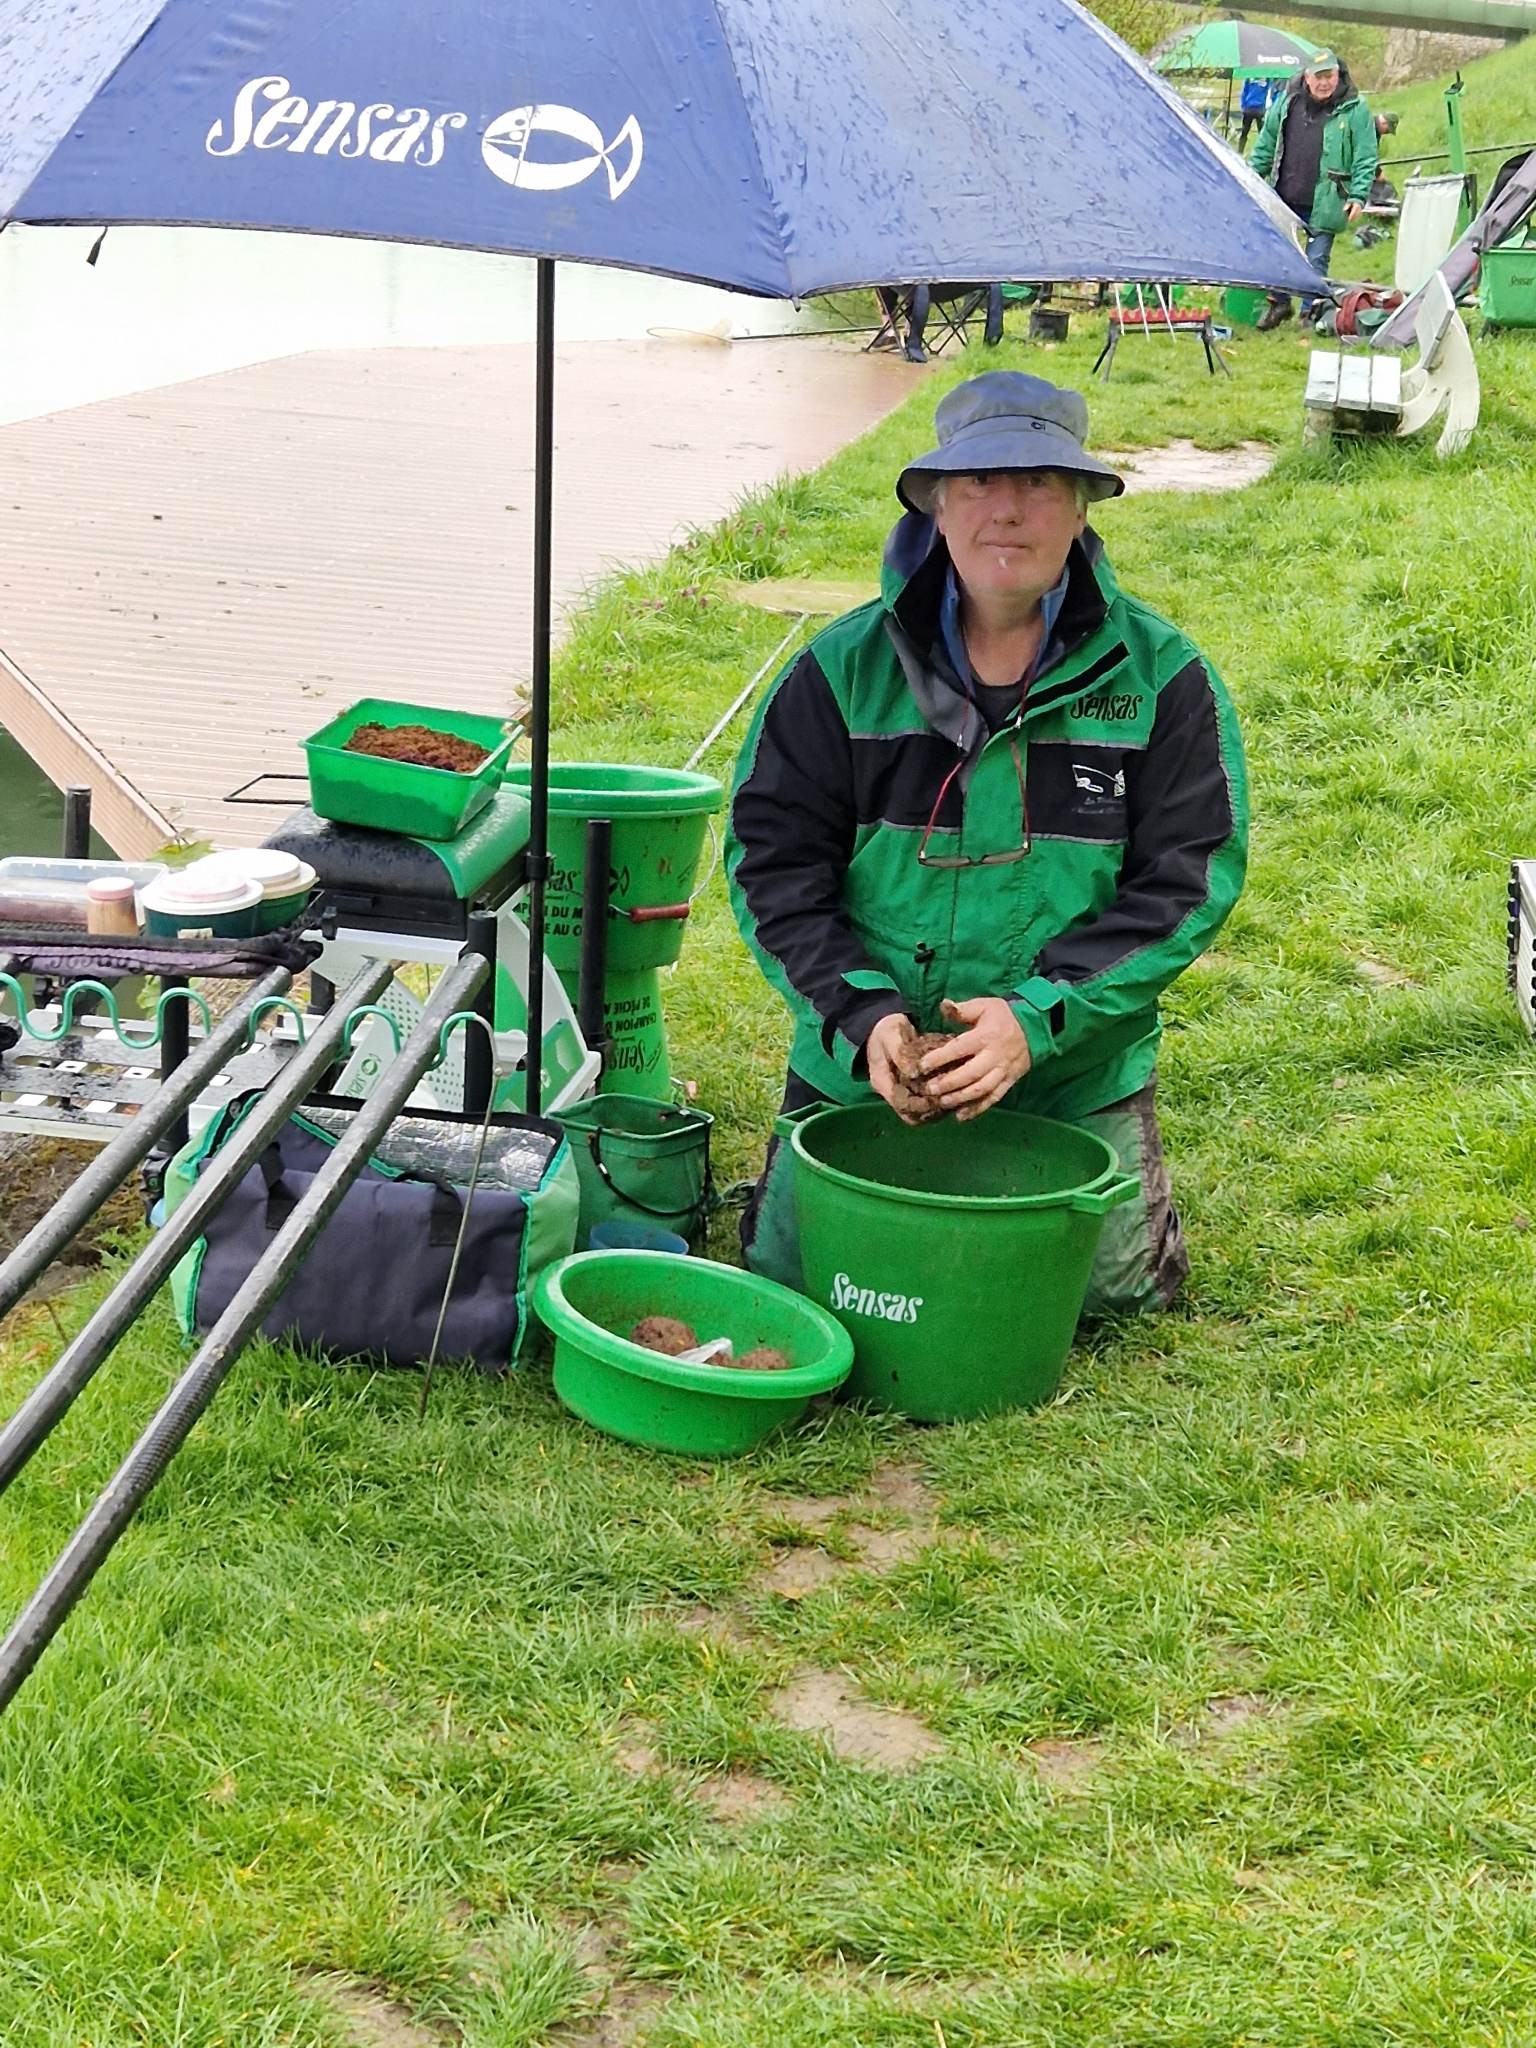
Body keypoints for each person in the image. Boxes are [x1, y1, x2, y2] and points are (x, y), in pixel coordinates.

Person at [726, 372, 1248, 1317]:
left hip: (1069, 1062)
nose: (1008, 509)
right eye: (978, 481)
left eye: (1043, 481)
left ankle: (1136, 1207)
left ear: (1084, 505)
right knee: (800, 1286)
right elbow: (772, 871)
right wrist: (864, 1018)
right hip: (868, 1068)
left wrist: (1036, 1020)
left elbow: (1186, 883)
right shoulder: (833, 676)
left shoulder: (1165, 679)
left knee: (1105, 1307)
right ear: (934, 502)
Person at [1250, 51, 1378, 330]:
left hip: (1328, 198)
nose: (1324, 83)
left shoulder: (1355, 108)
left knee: (1316, 258)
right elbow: (1267, 142)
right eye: (1318, 77)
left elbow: (1365, 155)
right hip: (1284, 193)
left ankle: (1311, 313)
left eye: (1329, 76)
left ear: (1338, 75)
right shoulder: (1287, 102)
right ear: (1307, 77)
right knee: (1280, 252)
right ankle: (1279, 304)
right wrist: (1249, 177)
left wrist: (1358, 195)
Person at [1237, 74, 1274, 152]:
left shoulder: (1267, 77)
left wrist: (1268, 105)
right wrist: (1243, 104)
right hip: (1248, 107)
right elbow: (1244, 90)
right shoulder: (1249, 76)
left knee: (1262, 134)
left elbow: (1269, 90)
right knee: (1244, 131)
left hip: (1260, 108)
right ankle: (1240, 151)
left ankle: (1262, 152)